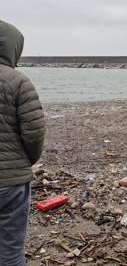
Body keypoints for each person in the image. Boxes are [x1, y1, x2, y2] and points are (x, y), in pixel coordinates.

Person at [0, 20, 45, 265]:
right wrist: (27, 161)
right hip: (12, 183)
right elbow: (34, 132)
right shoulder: (19, 82)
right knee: (10, 247)